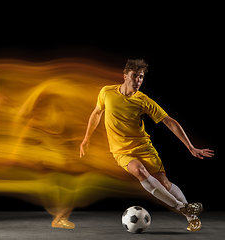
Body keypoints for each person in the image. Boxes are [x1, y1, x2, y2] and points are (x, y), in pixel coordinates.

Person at [80, 59, 214, 232]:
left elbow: (169, 122)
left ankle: (191, 217)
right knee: (139, 170)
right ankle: (183, 208)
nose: (138, 81)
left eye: (141, 77)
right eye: (135, 76)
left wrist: (190, 146)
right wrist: (86, 138)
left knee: (165, 185)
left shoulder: (143, 100)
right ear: (125, 76)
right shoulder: (107, 92)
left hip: (144, 147)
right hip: (121, 150)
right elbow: (97, 113)